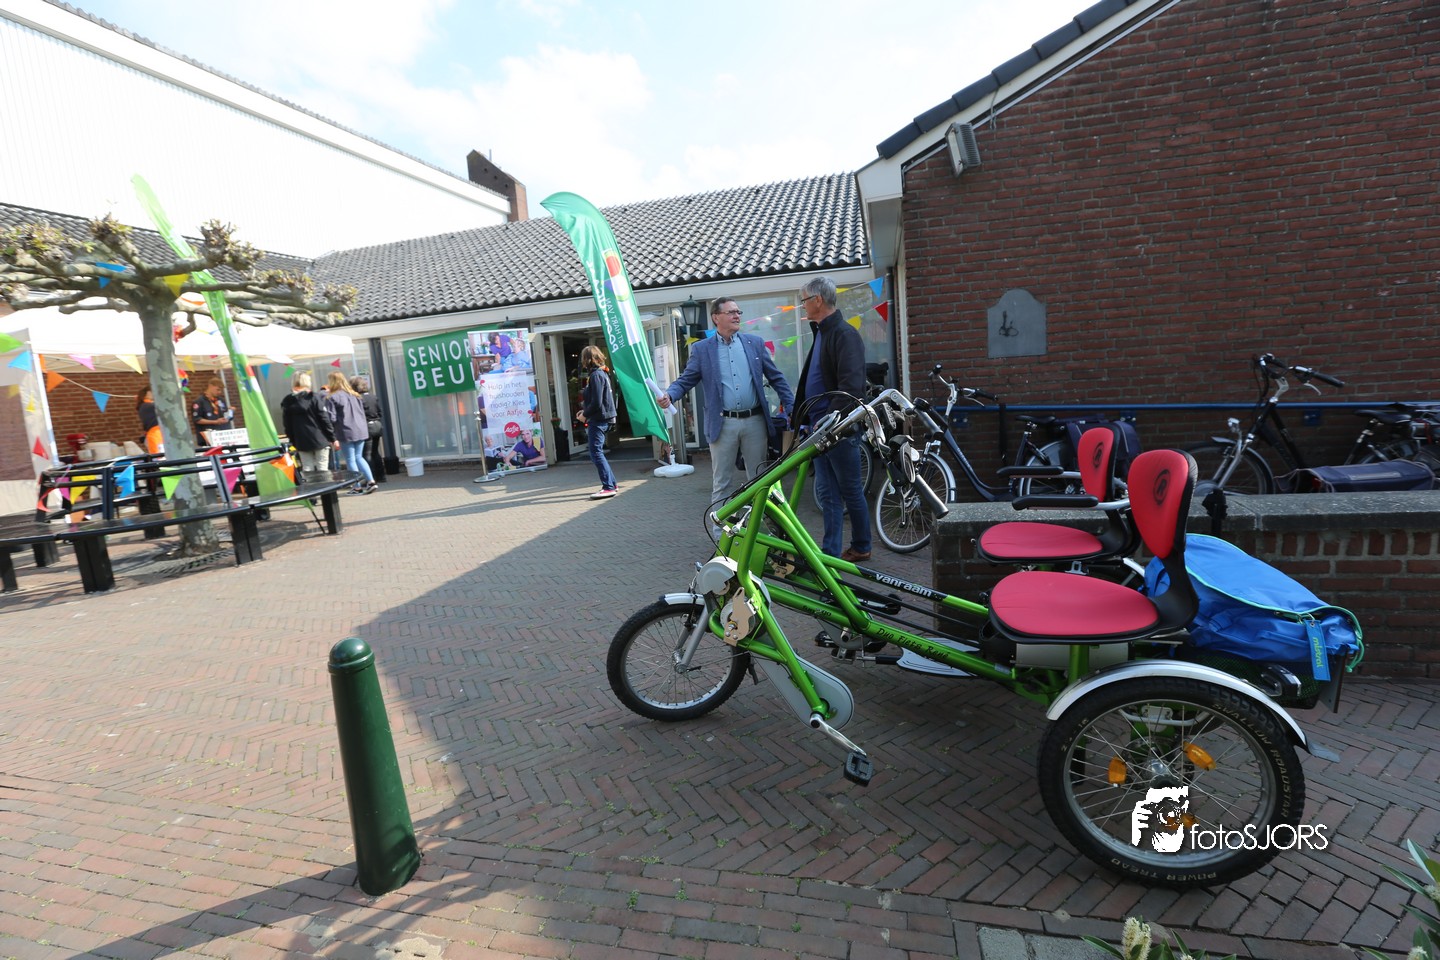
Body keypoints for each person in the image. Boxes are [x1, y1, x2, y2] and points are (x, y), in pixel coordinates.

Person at [658, 296, 794, 535]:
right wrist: (670, 394)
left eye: (738, 312)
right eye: (731, 312)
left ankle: (766, 535)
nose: (737, 316)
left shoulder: (754, 343)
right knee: (722, 482)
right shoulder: (702, 349)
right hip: (723, 424)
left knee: (760, 479)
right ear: (716, 317)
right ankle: (721, 537)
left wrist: (792, 406)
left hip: (755, 422)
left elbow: (776, 377)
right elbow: (686, 380)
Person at [791, 276, 871, 561]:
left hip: (837, 430)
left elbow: (851, 387)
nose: (802, 305)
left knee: (849, 490)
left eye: (804, 300)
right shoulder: (822, 332)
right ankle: (831, 553)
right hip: (820, 431)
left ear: (818, 300)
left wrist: (829, 419)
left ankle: (861, 546)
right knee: (827, 493)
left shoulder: (844, 334)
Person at [574, 345, 618, 499]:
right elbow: (597, 401)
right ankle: (612, 484)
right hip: (602, 418)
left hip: (599, 420)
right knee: (597, 452)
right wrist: (584, 411)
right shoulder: (601, 373)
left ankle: (608, 487)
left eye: (583, 358)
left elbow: (597, 402)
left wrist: (585, 415)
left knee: (596, 453)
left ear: (587, 359)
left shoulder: (596, 376)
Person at [324, 371, 377, 494]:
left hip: (345, 431)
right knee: (359, 457)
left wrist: (330, 434)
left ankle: (357, 487)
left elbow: (331, 418)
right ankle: (371, 481)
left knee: (350, 459)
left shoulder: (332, 397)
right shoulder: (355, 395)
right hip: (360, 430)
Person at [280, 371, 338, 473]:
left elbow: (287, 424)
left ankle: (310, 484)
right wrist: (332, 438)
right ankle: (324, 484)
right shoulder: (313, 397)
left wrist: (293, 440)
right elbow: (324, 419)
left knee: (307, 468)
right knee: (322, 467)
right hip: (320, 438)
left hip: (301, 440)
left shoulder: (287, 400)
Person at [352, 375, 386, 485]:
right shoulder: (373, 396)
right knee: (375, 452)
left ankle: (371, 477)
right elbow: (380, 412)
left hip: (367, 427)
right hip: (377, 425)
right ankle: (381, 476)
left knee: (367, 454)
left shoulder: (358, 399)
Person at [190, 377, 233, 445]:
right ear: (210, 386)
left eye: (221, 390)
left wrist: (230, 412)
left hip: (222, 437)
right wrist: (215, 422)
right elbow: (197, 419)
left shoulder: (221, 400)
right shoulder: (199, 402)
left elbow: (225, 416)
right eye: (218, 389)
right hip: (207, 439)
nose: (219, 392)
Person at [135, 386, 163, 454]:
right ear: (146, 393)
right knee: (159, 457)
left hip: (158, 434)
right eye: (151, 391)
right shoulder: (147, 406)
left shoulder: (146, 405)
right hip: (155, 435)